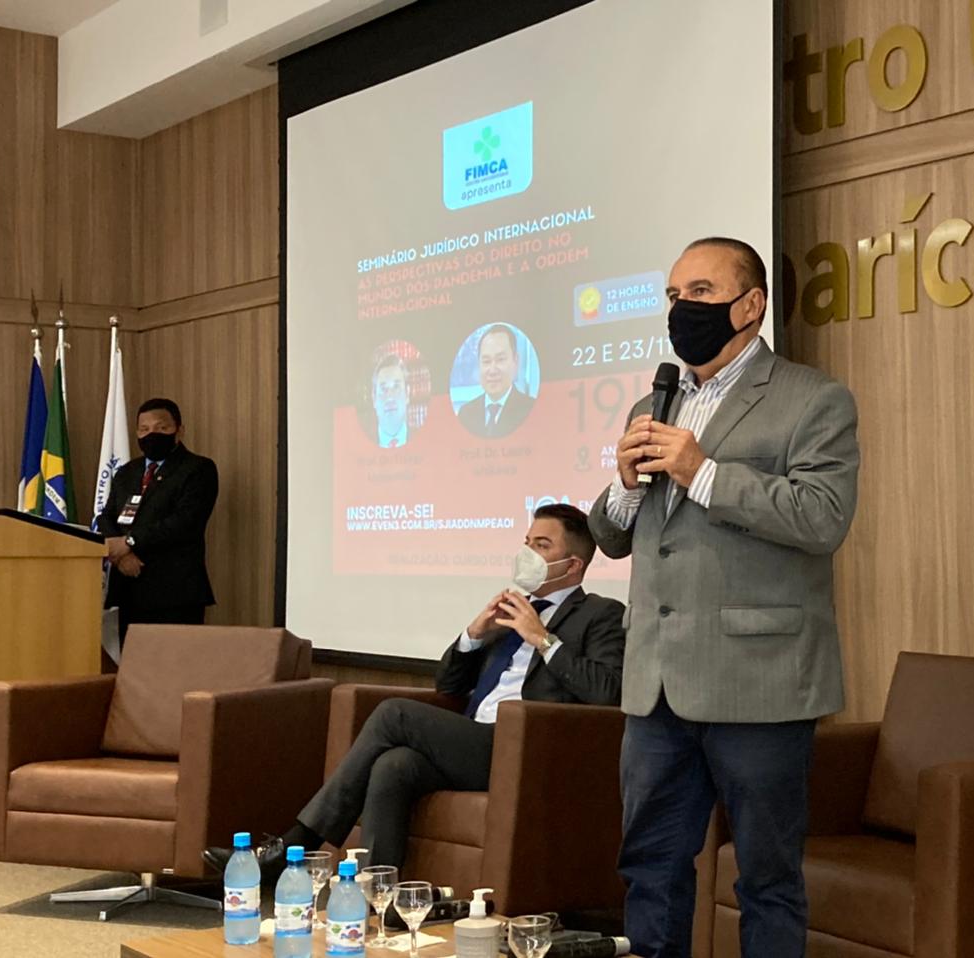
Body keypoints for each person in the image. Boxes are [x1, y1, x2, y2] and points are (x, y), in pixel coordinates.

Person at [588, 237, 860, 958]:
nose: (683, 309)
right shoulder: (655, 402)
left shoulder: (812, 398)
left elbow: (823, 518)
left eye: (701, 293)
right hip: (657, 685)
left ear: (751, 304)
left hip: (759, 683)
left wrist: (702, 472)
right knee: (650, 869)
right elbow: (612, 539)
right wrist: (623, 485)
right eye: (674, 296)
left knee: (766, 879)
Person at [203, 503, 625, 875]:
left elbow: (607, 691)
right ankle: (377, 892)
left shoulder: (600, 614)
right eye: (527, 542)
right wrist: (473, 636)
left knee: (394, 712)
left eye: (542, 546)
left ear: (572, 565)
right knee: (395, 765)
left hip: (527, 747)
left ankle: (296, 844)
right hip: (476, 740)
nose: (527, 554)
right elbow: (449, 685)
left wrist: (543, 639)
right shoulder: (513, 610)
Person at [96, 397, 219, 642]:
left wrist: (129, 542)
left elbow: (184, 523)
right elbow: (107, 516)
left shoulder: (198, 469)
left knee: (175, 663)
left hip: (174, 592)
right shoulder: (127, 472)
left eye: (162, 428)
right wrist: (120, 555)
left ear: (179, 431)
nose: (151, 434)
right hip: (128, 587)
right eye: (144, 429)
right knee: (133, 663)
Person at [456, 324, 535, 438]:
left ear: (515, 361)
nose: (492, 370)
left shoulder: (531, 410)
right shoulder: (465, 413)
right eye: (486, 361)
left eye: (500, 359)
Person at [372, 353, 410, 448]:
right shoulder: (358, 444)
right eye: (383, 388)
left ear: (407, 394)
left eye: (396, 387)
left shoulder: (427, 440)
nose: (389, 397)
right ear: (374, 399)